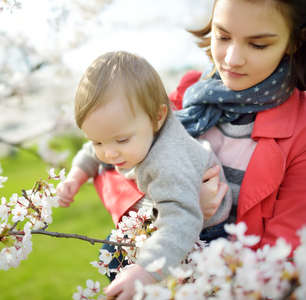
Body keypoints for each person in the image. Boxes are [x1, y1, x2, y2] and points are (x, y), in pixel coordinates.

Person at [104, 0, 306, 299]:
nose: (232, 59)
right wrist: (179, 203)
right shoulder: (186, 94)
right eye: (222, 36)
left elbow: (284, 247)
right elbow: (113, 165)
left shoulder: (300, 130)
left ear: (293, 43)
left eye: (258, 45)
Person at [56, 51, 232, 288]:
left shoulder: (169, 159)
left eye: (121, 141)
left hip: (204, 231)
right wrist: (75, 177)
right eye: (99, 141)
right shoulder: (132, 134)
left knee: (138, 270)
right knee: (113, 256)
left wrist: (146, 270)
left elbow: (181, 222)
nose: (109, 153)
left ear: (157, 117)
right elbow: (90, 151)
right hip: (168, 213)